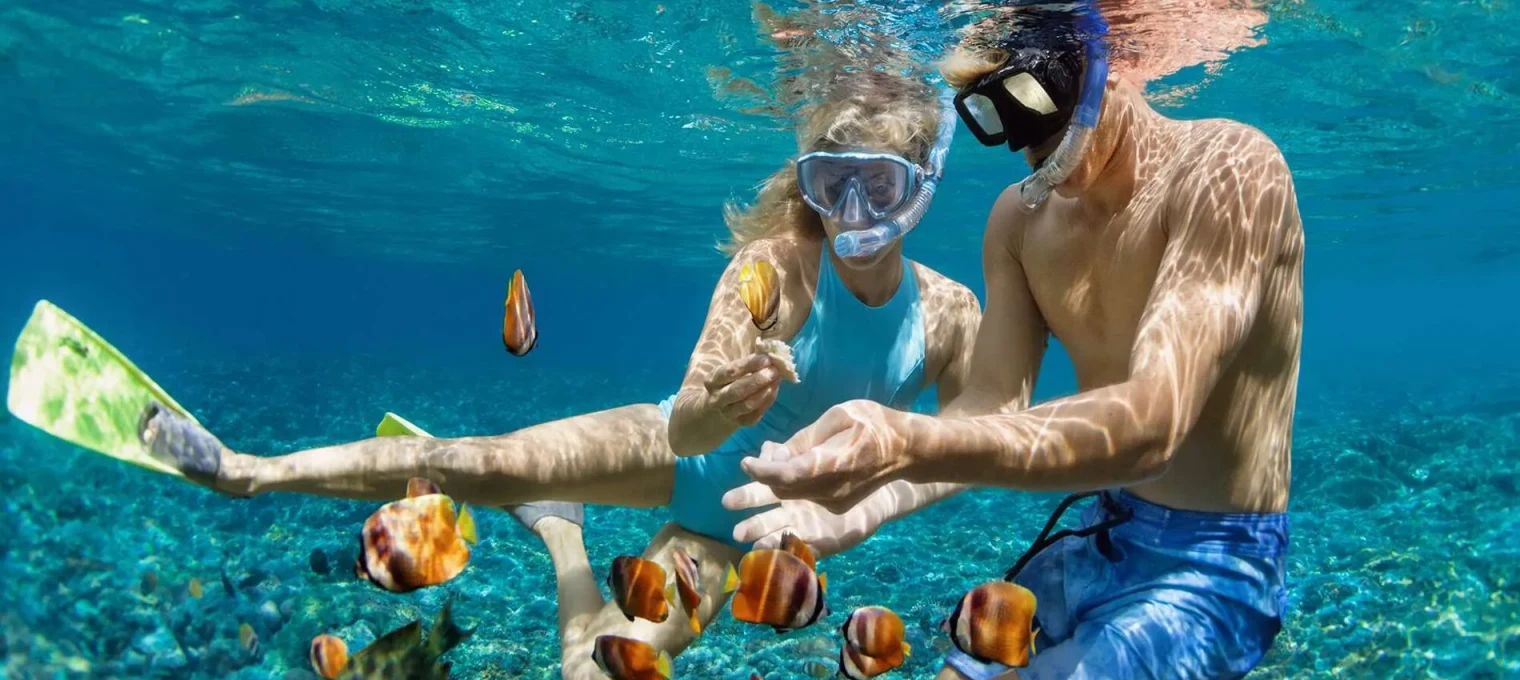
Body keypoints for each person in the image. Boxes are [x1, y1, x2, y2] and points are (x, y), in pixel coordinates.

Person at [136, 65, 983, 678]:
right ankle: (247, 472)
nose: (852, 213)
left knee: (595, 675)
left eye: (878, 184)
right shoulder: (774, 268)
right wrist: (721, 406)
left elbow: (971, 448)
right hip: (670, 447)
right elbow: (687, 423)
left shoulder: (950, 314)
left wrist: (867, 502)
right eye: (830, 184)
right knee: (481, 461)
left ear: (923, 187)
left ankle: (561, 535)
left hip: (731, 537)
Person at [721, 6, 1304, 680]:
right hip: (1102, 527)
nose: (1031, 145)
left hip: (1217, 562)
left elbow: (1155, 421)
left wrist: (905, 444)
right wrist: (867, 505)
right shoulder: (1018, 220)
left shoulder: (1230, 167)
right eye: (997, 118)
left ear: (1100, 63)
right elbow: (991, 404)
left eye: (1037, 99)